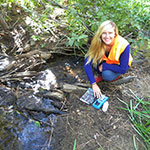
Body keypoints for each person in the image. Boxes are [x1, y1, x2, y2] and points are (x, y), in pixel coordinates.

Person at [84, 20, 133, 98]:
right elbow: (87, 63)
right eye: (104, 33)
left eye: (110, 33)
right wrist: (93, 84)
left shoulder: (123, 45)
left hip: (120, 65)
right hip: (107, 61)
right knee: (94, 64)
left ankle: (114, 76)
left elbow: (123, 69)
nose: (107, 36)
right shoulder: (97, 41)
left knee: (107, 75)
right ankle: (102, 72)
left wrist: (105, 66)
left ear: (115, 34)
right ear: (100, 34)